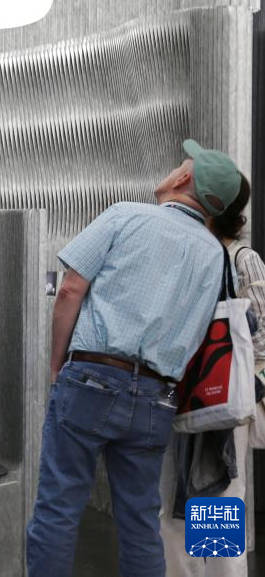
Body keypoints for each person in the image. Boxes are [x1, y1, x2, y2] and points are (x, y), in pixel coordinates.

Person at [26, 140, 242, 577]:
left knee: (59, 506)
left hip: (93, 376)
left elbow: (70, 288)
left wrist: (56, 367)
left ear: (184, 178)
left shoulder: (126, 214)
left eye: (180, 164)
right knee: (142, 521)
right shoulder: (215, 255)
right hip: (161, 397)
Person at [159, 173, 258, 577]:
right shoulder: (186, 249)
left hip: (220, 402)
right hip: (179, 395)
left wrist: (248, 387)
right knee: (171, 503)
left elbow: (262, 337)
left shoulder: (240, 258)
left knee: (216, 499)